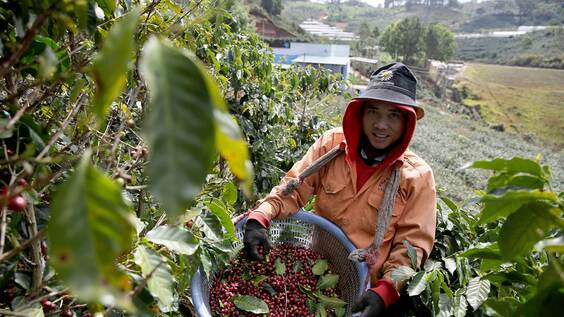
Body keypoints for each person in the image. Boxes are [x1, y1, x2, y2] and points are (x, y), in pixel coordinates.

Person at [243, 62, 437, 316]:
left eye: (394, 115)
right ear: (361, 113)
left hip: (362, 288)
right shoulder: (332, 146)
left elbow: (412, 245)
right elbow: (293, 189)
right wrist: (260, 217)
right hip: (311, 267)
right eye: (374, 111)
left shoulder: (417, 177)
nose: (381, 124)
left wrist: (386, 290)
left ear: (408, 122)